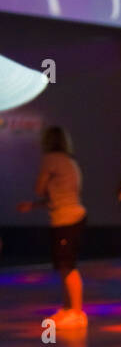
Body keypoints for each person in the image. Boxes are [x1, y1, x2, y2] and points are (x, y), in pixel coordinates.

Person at [17, 126, 87, 330]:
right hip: (71, 216)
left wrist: (38, 194)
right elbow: (60, 195)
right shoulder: (70, 161)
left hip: (66, 219)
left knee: (68, 266)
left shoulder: (51, 160)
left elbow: (40, 188)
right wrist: (33, 205)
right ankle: (68, 309)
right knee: (64, 265)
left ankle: (76, 311)